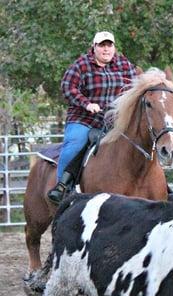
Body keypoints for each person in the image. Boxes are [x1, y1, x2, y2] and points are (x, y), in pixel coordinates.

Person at [47, 31, 137, 204]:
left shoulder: (124, 64)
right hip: (84, 119)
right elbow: (68, 87)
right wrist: (87, 103)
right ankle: (63, 187)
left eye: (109, 45)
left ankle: (158, 187)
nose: (106, 49)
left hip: (114, 121)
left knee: (139, 142)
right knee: (75, 144)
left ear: (114, 47)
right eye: (102, 45)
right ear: (94, 47)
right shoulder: (82, 65)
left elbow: (137, 85)